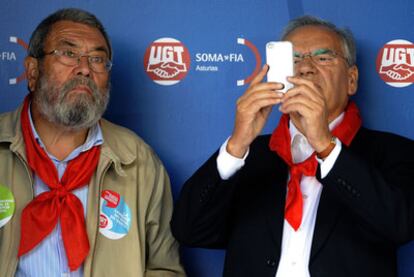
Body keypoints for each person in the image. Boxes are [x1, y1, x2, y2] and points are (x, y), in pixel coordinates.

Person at [171, 15, 414, 277]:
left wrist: (325, 145)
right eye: (293, 59)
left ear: (351, 79)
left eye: (323, 58)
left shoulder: (394, 152)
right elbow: (189, 230)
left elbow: (400, 226)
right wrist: (236, 146)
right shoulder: (249, 154)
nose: (305, 68)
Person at [0, 8, 185, 276]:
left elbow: (165, 268)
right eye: (68, 53)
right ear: (32, 71)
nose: (85, 68)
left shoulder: (138, 160)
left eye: (98, 59)